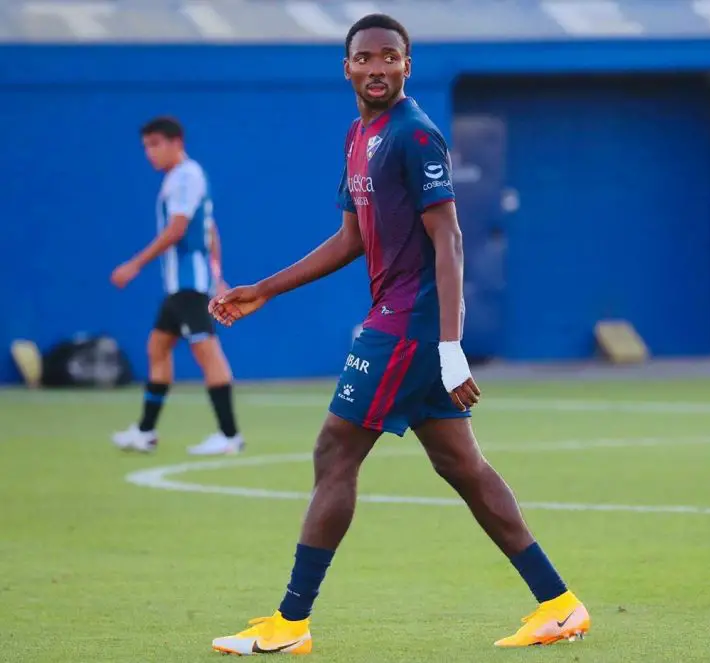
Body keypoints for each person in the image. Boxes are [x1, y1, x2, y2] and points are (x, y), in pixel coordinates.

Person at [208, 14, 590, 654]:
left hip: (406, 325)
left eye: (390, 56)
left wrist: (450, 346)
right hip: (405, 323)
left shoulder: (414, 134)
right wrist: (266, 288)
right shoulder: (360, 135)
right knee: (462, 466)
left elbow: (451, 239)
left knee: (335, 452)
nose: (378, 67)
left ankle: (290, 623)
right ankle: (559, 604)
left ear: (408, 65)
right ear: (348, 69)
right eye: (365, 58)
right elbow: (350, 239)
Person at [110, 116, 244, 456]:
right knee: (157, 348)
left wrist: (135, 264)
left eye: (155, 144)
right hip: (180, 286)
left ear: (176, 143)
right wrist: (218, 274)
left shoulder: (186, 176)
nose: (150, 153)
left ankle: (229, 435)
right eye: (146, 146)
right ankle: (145, 431)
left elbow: (177, 229)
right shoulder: (179, 178)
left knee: (207, 352)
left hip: (189, 285)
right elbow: (211, 229)